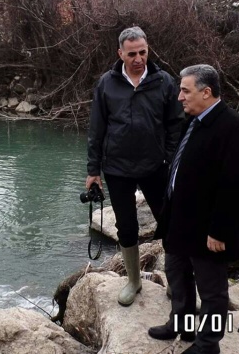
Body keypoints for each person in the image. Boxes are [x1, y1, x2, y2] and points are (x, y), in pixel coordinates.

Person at [147, 64, 239, 354]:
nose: (180, 97)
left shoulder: (236, 128)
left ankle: (208, 345)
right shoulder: (193, 120)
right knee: (176, 273)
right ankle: (180, 323)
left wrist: (219, 231)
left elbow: (235, 186)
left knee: (212, 290)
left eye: (185, 90)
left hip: (208, 227)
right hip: (179, 220)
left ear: (206, 92)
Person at [86, 26, 184, 306]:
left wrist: (169, 157)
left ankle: (174, 283)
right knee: (126, 228)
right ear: (121, 54)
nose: (139, 58)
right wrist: (93, 171)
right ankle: (134, 281)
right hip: (117, 168)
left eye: (143, 52)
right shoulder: (107, 83)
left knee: (171, 224)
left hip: (156, 166)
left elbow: (175, 124)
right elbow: (96, 129)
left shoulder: (163, 81)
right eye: (132, 54)